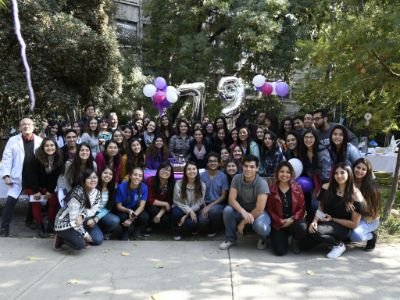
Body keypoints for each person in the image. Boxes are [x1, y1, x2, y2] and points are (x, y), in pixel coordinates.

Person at [304, 163, 363, 258]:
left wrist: (332, 219)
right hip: (325, 220)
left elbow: (354, 224)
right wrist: (315, 221)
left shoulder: (355, 195)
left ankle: (338, 245)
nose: (339, 176)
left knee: (317, 232)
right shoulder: (326, 187)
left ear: (349, 174)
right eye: (336, 173)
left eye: (342, 173)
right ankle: (323, 239)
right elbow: (320, 207)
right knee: (303, 246)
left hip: (342, 227)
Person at [1, 118, 43, 237]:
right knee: (10, 203)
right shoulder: (13, 140)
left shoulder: (40, 141)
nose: (26, 126)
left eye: (29, 124)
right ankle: (4, 228)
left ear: (33, 127)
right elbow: (7, 158)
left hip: (33, 178)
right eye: (24, 124)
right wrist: (6, 175)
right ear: (20, 127)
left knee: (34, 201)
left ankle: (30, 222)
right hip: (17, 178)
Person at [219, 155, 271, 250]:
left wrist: (242, 223)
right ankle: (231, 239)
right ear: (242, 167)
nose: (248, 169)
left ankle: (263, 239)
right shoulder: (236, 178)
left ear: (257, 168)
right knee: (227, 210)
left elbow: (259, 209)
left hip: (258, 213)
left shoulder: (262, 183)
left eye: (252, 167)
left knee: (262, 227)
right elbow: (231, 200)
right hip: (242, 210)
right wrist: (243, 212)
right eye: (246, 166)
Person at [54, 169, 102, 250]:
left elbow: (93, 211)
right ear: (84, 180)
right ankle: (61, 237)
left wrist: (82, 215)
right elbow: (73, 220)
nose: (93, 180)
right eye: (89, 178)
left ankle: (76, 236)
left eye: (95, 177)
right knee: (80, 245)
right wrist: (85, 234)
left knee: (97, 240)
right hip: (64, 222)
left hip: (79, 219)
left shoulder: (97, 193)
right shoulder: (77, 193)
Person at [266, 162, 307, 255]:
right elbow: (269, 209)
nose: (284, 175)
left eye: (288, 172)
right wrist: (279, 220)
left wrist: (292, 219)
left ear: (291, 174)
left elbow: (302, 207)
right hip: (279, 223)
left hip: (293, 222)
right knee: (280, 251)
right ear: (277, 173)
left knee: (302, 227)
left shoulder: (297, 188)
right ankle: (279, 237)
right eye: (282, 172)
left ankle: (295, 241)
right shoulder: (271, 190)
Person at [30, 138, 64, 237]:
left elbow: (54, 176)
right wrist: (36, 191)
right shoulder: (35, 157)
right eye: (47, 145)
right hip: (32, 184)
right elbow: (31, 175)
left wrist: (49, 190)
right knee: (36, 203)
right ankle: (40, 226)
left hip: (45, 185)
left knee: (53, 201)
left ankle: (50, 225)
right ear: (43, 147)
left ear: (56, 147)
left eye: (52, 145)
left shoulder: (58, 157)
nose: (50, 148)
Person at [299, 129, 332, 224]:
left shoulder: (322, 151)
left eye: (311, 137)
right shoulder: (303, 151)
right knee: (310, 206)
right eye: (306, 137)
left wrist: (320, 190)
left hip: (323, 184)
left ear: (315, 138)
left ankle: (319, 225)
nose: (308, 139)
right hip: (310, 183)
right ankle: (311, 224)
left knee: (316, 205)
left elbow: (327, 173)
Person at [350, 158, 380, 251]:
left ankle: (371, 236)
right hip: (352, 216)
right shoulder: (348, 181)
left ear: (368, 172)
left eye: (364, 169)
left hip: (369, 219)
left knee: (355, 236)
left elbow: (371, 210)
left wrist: (359, 200)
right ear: (353, 167)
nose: (360, 171)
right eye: (358, 167)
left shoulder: (371, 186)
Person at [171, 162, 206, 240]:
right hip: (180, 207)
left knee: (191, 223)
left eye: (194, 169)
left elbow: (199, 202)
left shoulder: (202, 185)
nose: (192, 171)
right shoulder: (179, 183)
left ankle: (191, 228)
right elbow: (176, 201)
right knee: (175, 213)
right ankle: (175, 230)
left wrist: (186, 215)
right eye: (189, 169)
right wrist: (189, 211)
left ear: (197, 171)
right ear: (185, 172)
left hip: (194, 208)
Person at [115, 167, 149, 240]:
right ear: (130, 176)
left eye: (140, 176)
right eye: (135, 175)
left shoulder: (144, 187)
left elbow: (142, 206)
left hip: (136, 209)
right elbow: (119, 206)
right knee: (123, 217)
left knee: (144, 216)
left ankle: (137, 230)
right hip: (124, 209)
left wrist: (131, 219)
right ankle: (125, 231)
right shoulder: (121, 187)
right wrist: (129, 211)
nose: (137, 177)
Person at [199, 153, 229, 237]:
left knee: (213, 211)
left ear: (219, 163)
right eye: (210, 161)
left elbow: (223, 196)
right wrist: (205, 206)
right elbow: (200, 194)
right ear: (207, 163)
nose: (213, 163)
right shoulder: (202, 176)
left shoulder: (223, 176)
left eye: (215, 161)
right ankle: (209, 224)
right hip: (204, 203)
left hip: (218, 204)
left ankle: (214, 228)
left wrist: (209, 207)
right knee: (202, 222)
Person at [145, 162, 175, 230]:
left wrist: (159, 215)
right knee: (153, 210)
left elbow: (170, 203)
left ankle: (156, 224)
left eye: (168, 170)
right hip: (151, 206)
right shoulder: (150, 180)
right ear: (158, 170)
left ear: (171, 174)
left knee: (166, 219)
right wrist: (165, 203)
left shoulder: (172, 185)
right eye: (163, 169)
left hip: (164, 209)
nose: (165, 171)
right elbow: (149, 199)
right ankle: (150, 225)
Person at [93, 167, 120, 239]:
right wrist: (94, 217)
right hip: (90, 213)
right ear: (100, 174)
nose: (108, 175)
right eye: (105, 173)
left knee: (115, 220)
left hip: (102, 213)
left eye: (110, 174)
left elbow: (108, 207)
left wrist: (98, 217)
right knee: (97, 240)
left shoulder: (112, 189)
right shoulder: (93, 185)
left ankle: (102, 232)